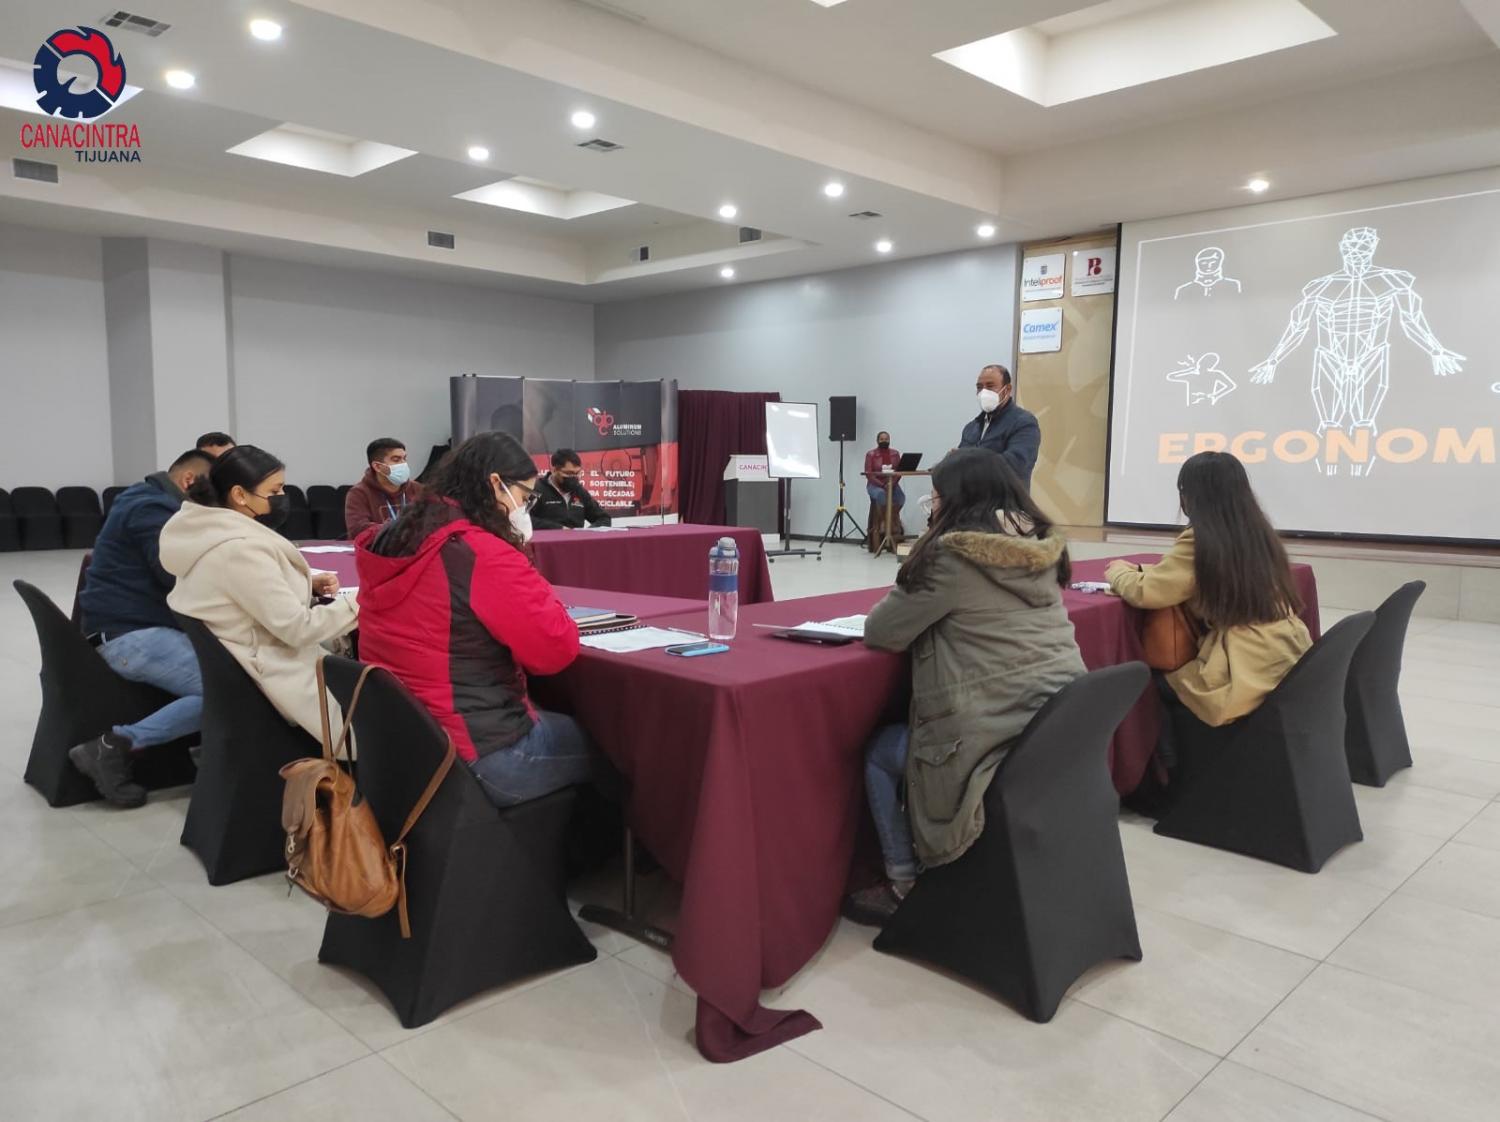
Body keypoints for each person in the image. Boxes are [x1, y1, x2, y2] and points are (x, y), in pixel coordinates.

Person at [846, 449, 1086, 925]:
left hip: (986, 739)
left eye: (934, 497)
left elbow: (882, 630)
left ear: (956, 501)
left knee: (880, 752)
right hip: (1050, 734)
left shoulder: (951, 558)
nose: (930, 506)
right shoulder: (1041, 550)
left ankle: (902, 883)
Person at [355, 432, 610, 808]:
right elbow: (555, 650)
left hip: (407, 743)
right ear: (495, 484)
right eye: (525, 496)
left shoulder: (395, 536)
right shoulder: (480, 553)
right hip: (481, 751)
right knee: (616, 745)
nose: (524, 508)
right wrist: (521, 559)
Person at [160, 445, 358, 739]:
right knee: (387, 718)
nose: (282, 497)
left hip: (250, 666)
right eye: (274, 491)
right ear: (239, 495)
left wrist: (303, 585)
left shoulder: (204, 534)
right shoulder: (241, 550)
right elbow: (298, 629)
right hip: (278, 676)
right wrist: (360, 602)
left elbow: (244, 594)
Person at [1106, 450, 1311, 728]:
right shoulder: (1258, 532)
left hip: (1240, 669)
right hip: (1286, 653)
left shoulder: (1202, 538)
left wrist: (1117, 570)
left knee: (1150, 686)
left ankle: (1173, 757)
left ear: (1190, 496)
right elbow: (1189, 575)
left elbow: (1148, 592)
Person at [69, 449, 213, 807]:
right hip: (129, 637)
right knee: (225, 689)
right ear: (189, 481)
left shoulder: (146, 498)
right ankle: (113, 746)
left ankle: (207, 752)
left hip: (130, 626)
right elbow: (175, 575)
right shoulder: (153, 510)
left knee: (233, 666)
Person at [958, 364, 1041, 488]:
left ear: (1007, 389)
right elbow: (960, 467)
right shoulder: (971, 427)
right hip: (972, 499)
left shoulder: (1024, 423)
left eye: (990, 386)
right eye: (979, 387)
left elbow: (1016, 464)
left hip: (1006, 499)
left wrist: (971, 461)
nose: (983, 392)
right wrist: (951, 462)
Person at [345, 437, 423, 539]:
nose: (403, 464)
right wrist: (397, 529)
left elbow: (435, 521)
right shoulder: (359, 493)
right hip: (378, 547)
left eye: (404, 458)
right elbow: (358, 530)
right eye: (396, 460)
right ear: (377, 467)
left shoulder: (418, 489)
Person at [530, 449, 612, 531]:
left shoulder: (580, 492)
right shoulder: (537, 489)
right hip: (547, 538)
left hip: (577, 538)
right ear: (554, 470)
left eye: (577, 473)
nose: (574, 477)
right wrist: (558, 529)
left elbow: (604, 518)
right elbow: (526, 520)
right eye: (569, 473)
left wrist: (587, 533)